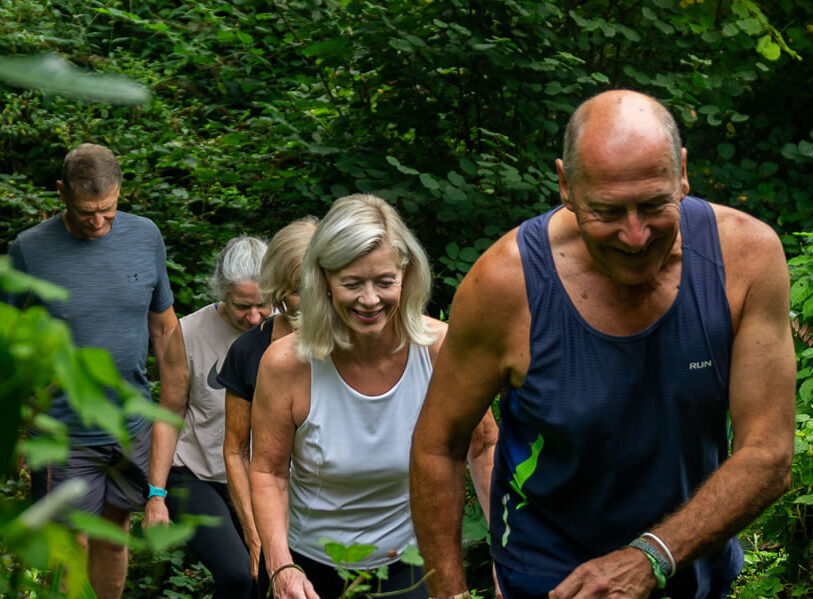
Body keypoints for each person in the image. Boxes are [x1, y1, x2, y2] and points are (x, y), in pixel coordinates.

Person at [410, 90, 796, 599]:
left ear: (682, 173)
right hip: (549, 582)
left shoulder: (745, 259)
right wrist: (451, 596)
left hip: (693, 574)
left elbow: (768, 452)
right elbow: (439, 445)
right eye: (609, 211)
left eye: (655, 205)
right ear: (567, 186)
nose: (635, 236)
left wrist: (652, 555)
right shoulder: (506, 286)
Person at [249, 194, 498, 599]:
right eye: (352, 283)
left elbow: (483, 447)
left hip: (408, 564)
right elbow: (268, 472)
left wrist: (507, 554)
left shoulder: (442, 351)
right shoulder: (286, 365)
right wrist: (281, 566)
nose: (370, 300)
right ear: (323, 280)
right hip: (308, 565)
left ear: (407, 275)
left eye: (384, 282)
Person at [6, 143, 180, 599]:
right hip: (61, 430)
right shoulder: (29, 249)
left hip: (129, 424)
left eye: (108, 209)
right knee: (72, 543)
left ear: (120, 192)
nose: (99, 222)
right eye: (87, 212)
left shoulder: (146, 237)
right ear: (61, 193)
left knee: (112, 535)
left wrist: (173, 400)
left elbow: (163, 326)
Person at [144, 235, 269, 599]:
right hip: (197, 473)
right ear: (220, 290)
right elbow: (169, 413)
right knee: (236, 574)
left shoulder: (285, 332)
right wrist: (155, 494)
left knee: (269, 578)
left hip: (261, 476)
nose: (254, 317)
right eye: (241, 305)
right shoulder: (188, 332)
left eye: (263, 304)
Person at [217, 216, 319, 597]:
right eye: (296, 291)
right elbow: (235, 450)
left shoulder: (355, 342)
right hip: (272, 510)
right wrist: (255, 532)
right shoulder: (247, 352)